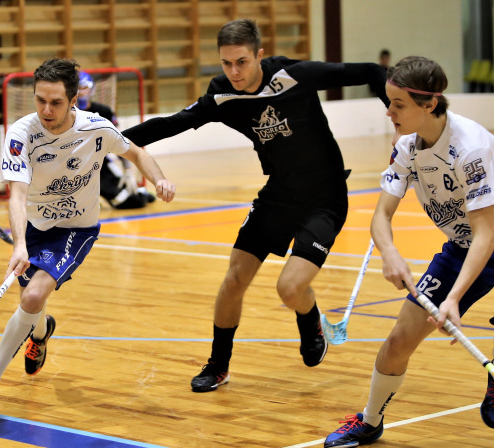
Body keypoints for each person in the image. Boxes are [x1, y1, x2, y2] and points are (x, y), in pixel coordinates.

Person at [121, 19, 390, 393]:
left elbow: (373, 72)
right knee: (233, 279)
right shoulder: (222, 95)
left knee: (290, 288)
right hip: (278, 194)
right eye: (226, 63)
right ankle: (218, 365)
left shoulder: (294, 75)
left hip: (324, 198)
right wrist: (106, 141)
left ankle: (309, 319)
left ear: (259, 55)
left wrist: (400, 123)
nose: (234, 72)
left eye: (242, 62)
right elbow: (170, 124)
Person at [324, 56, 494, 447]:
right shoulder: (406, 147)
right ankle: (370, 421)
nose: (388, 112)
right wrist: (389, 252)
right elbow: (380, 216)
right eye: (387, 102)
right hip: (461, 249)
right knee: (399, 340)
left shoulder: (470, 149)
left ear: (429, 105)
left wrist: (454, 298)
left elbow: (486, 235)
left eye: (397, 104)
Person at [0, 57, 176, 413]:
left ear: (73, 99)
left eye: (55, 102)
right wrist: (21, 244)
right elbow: (18, 195)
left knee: (31, 297)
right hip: (34, 227)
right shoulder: (22, 133)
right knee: (32, 300)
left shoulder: (96, 128)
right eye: (40, 100)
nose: (46, 109)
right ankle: (41, 333)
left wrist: (159, 178)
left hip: (75, 228)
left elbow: (135, 151)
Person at [77, 71, 155, 209]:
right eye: (76, 88)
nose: (81, 92)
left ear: (92, 89)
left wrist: (128, 171)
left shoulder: (104, 111)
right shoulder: (65, 113)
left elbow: (120, 140)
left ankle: (138, 191)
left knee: (137, 199)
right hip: (75, 169)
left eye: (84, 88)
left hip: (101, 166)